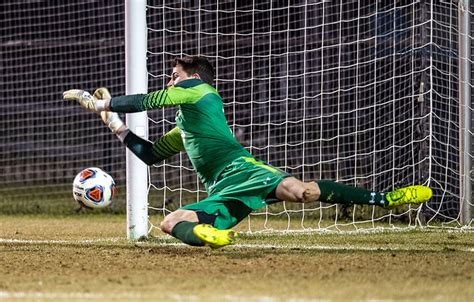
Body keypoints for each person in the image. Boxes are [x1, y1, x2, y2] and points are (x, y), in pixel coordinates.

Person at [63, 56, 432, 248]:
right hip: (223, 190)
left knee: (301, 191)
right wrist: (116, 125)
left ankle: (386, 198)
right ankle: (214, 236)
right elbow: (152, 155)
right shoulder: (186, 125)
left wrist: (106, 104)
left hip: (245, 170)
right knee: (171, 223)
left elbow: (150, 99)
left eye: (173, 74)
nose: (169, 80)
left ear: (191, 77)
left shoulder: (202, 92)